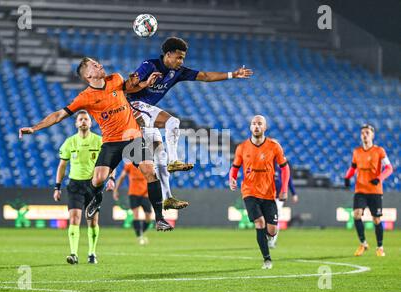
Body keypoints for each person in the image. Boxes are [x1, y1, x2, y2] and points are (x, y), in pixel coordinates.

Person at [19, 57, 174, 232]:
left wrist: (146, 83)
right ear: (88, 75)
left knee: (149, 171)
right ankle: (96, 198)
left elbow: (130, 88)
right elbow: (59, 115)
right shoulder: (85, 97)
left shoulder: (115, 79)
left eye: (97, 63)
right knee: (99, 178)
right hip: (111, 141)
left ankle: (160, 219)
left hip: (133, 137)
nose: (99, 65)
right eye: (94, 65)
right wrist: (34, 128)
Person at [127, 37, 253, 207]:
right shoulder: (150, 65)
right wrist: (146, 83)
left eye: (183, 58)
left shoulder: (178, 72)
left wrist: (233, 74)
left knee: (160, 156)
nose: (181, 61)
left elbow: (206, 76)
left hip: (146, 115)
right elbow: (128, 87)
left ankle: (167, 198)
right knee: (172, 122)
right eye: (178, 57)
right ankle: (174, 160)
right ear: (168, 54)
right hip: (132, 107)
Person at [229, 115, 290, 270]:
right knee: (259, 223)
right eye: (253, 124)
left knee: (272, 230)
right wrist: (232, 179)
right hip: (249, 191)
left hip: (269, 194)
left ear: (265, 127)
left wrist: (284, 189)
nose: (256, 126)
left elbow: (285, 167)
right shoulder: (242, 147)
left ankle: (268, 238)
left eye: (259, 124)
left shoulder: (274, 146)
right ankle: (267, 259)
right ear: (250, 127)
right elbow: (235, 167)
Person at [53, 110, 114, 264]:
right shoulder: (69, 142)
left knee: (92, 221)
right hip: (75, 184)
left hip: (93, 185)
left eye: (86, 119)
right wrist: (57, 187)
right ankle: (73, 254)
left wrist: (111, 178)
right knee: (74, 219)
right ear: (76, 123)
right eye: (80, 119)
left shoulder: (99, 141)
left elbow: (110, 162)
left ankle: (92, 253)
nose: (83, 122)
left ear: (91, 123)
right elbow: (62, 165)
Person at [344, 124, 393, 257]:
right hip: (360, 189)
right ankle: (363, 243)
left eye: (367, 132)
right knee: (356, 215)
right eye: (362, 133)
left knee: (376, 220)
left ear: (372, 135)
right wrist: (347, 177)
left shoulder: (379, 151)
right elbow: (353, 167)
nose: (364, 135)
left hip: (375, 190)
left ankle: (380, 247)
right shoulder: (357, 152)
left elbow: (389, 168)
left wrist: (379, 178)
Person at [113, 161, 153, 245]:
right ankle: (139, 236)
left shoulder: (148, 165)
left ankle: (141, 233)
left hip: (145, 194)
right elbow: (122, 177)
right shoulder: (130, 165)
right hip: (133, 193)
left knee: (148, 216)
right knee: (136, 215)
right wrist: (116, 190)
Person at [267, 163, 298, 249]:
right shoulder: (266, 167)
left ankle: (272, 241)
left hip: (278, 198)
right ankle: (268, 238)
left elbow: (288, 180)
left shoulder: (281, 169)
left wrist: (294, 193)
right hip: (267, 197)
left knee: (275, 218)